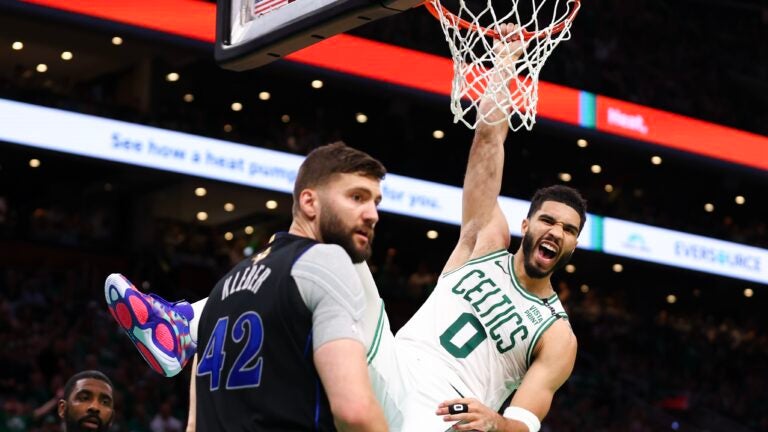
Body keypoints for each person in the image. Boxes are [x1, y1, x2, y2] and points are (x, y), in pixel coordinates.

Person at [107, 24, 583, 432]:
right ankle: (184, 327)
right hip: (390, 371)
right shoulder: (485, 242)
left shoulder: (557, 333)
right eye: (548, 220)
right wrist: (503, 66)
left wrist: (496, 421)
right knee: (307, 252)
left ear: (574, 244)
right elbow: (488, 140)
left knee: (321, 255)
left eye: (567, 229)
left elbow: (527, 419)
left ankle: (184, 327)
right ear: (527, 222)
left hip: (440, 419)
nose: (555, 232)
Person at [105, 142, 388, 431]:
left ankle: (181, 326)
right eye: (356, 197)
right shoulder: (328, 261)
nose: (372, 214)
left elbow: (193, 426)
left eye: (375, 202)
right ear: (309, 202)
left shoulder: (222, 290)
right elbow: (355, 411)